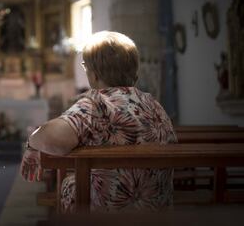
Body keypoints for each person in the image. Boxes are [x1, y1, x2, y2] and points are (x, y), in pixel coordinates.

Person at [20, 31, 177, 212]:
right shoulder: (152, 103)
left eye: (86, 67)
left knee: (70, 184)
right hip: (157, 211)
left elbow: (52, 139)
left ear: (94, 74)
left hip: (108, 214)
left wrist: (31, 141)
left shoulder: (98, 103)